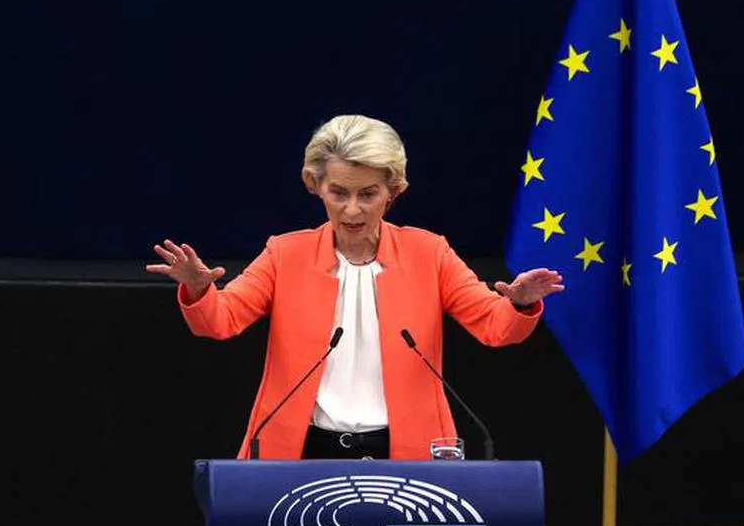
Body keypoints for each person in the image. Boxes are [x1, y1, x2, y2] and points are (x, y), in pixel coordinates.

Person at [146, 114, 564, 460]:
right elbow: (220, 321)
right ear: (315, 187)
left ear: (393, 192)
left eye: (368, 194)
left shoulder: (428, 252)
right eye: (338, 192)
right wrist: (200, 291)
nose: (352, 208)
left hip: (409, 451)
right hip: (301, 450)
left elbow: (494, 326)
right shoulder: (284, 254)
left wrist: (521, 304)